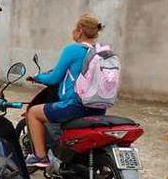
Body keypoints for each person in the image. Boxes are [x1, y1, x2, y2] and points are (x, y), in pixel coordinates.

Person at [25, 13, 107, 168]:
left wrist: (37, 77)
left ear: (80, 30)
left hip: (76, 106)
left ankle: (41, 157)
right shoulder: (101, 51)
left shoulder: (73, 49)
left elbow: (54, 78)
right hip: (99, 108)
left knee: (33, 113)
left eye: (75, 28)